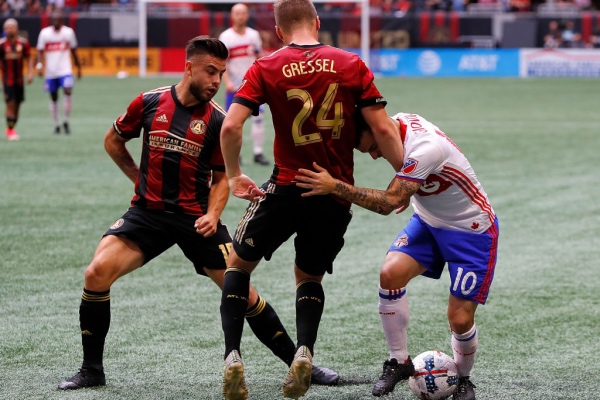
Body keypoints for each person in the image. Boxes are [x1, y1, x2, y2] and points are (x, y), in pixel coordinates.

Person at [56, 36, 338, 391]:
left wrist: (212, 213)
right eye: (210, 72)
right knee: (96, 273)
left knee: (244, 293)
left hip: (196, 221)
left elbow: (222, 178)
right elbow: (113, 140)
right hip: (148, 214)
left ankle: (301, 364)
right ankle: (92, 370)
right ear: (188, 68)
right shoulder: (148, 102)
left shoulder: (219, 120)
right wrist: (136, 177)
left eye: (221, 73)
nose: (217, 81)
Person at [218, 0, 405, 398]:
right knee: (309, 276)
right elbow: (384, 130)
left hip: (286, 186)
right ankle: (304, 350)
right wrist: (404, 177)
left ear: (278, 29)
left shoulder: (266, 66)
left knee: (237, 266)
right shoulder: (351, 63)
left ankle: (233, 355)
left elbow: (232, 125)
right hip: (334, 194)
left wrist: (234, 175)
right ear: (317, 23)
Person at [295, 111, 499, 400]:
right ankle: (399, 362)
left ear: (380, 134)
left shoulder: (426, 148)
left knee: (460, 319)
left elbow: (390, 202)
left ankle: (463, 379)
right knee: (390, 273)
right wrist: (411, 190)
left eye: (374, 149)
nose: (376, 156)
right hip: (428, 223)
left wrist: (335, 186)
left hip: (472, 230)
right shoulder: (398, 122)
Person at [218, 3, 269, 166]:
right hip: (234, 88)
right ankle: (235, 155)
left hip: (253, 86)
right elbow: (222, 62)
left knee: (259, 119)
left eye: (243, 13)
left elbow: (259, 57)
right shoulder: (225, 37)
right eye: (237, 13)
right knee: (232, 123)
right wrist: (227, 83)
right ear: (232, 16)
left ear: (247, 16)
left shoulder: (253, 35)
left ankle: (258, 153)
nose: (240, 16)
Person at [35, 10, 81, 135]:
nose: (56, 22)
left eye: (58, 20)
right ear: (51, 21)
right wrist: (39, 65)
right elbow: (39, 51)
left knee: (67, 90)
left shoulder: (68, 32)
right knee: (54, 97)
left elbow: (74, 50)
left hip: (65, 69)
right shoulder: (45, 33)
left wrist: (79, 67)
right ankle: (56, 124)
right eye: (54, 19)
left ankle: (66, 120)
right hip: (51, 71)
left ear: (62, 21)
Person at [0, 18, 33, 141]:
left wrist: (30, 73)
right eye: (7, 28)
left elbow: (29, 58)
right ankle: (10, 130)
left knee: (18, 105)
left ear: (17, 29)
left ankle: (11, 127)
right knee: (11, 103)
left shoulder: (23, 43)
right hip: (7, 80)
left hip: (19, 81)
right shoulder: (2, 45)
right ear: (4, 30)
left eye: (12, 27)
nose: (10, 30)